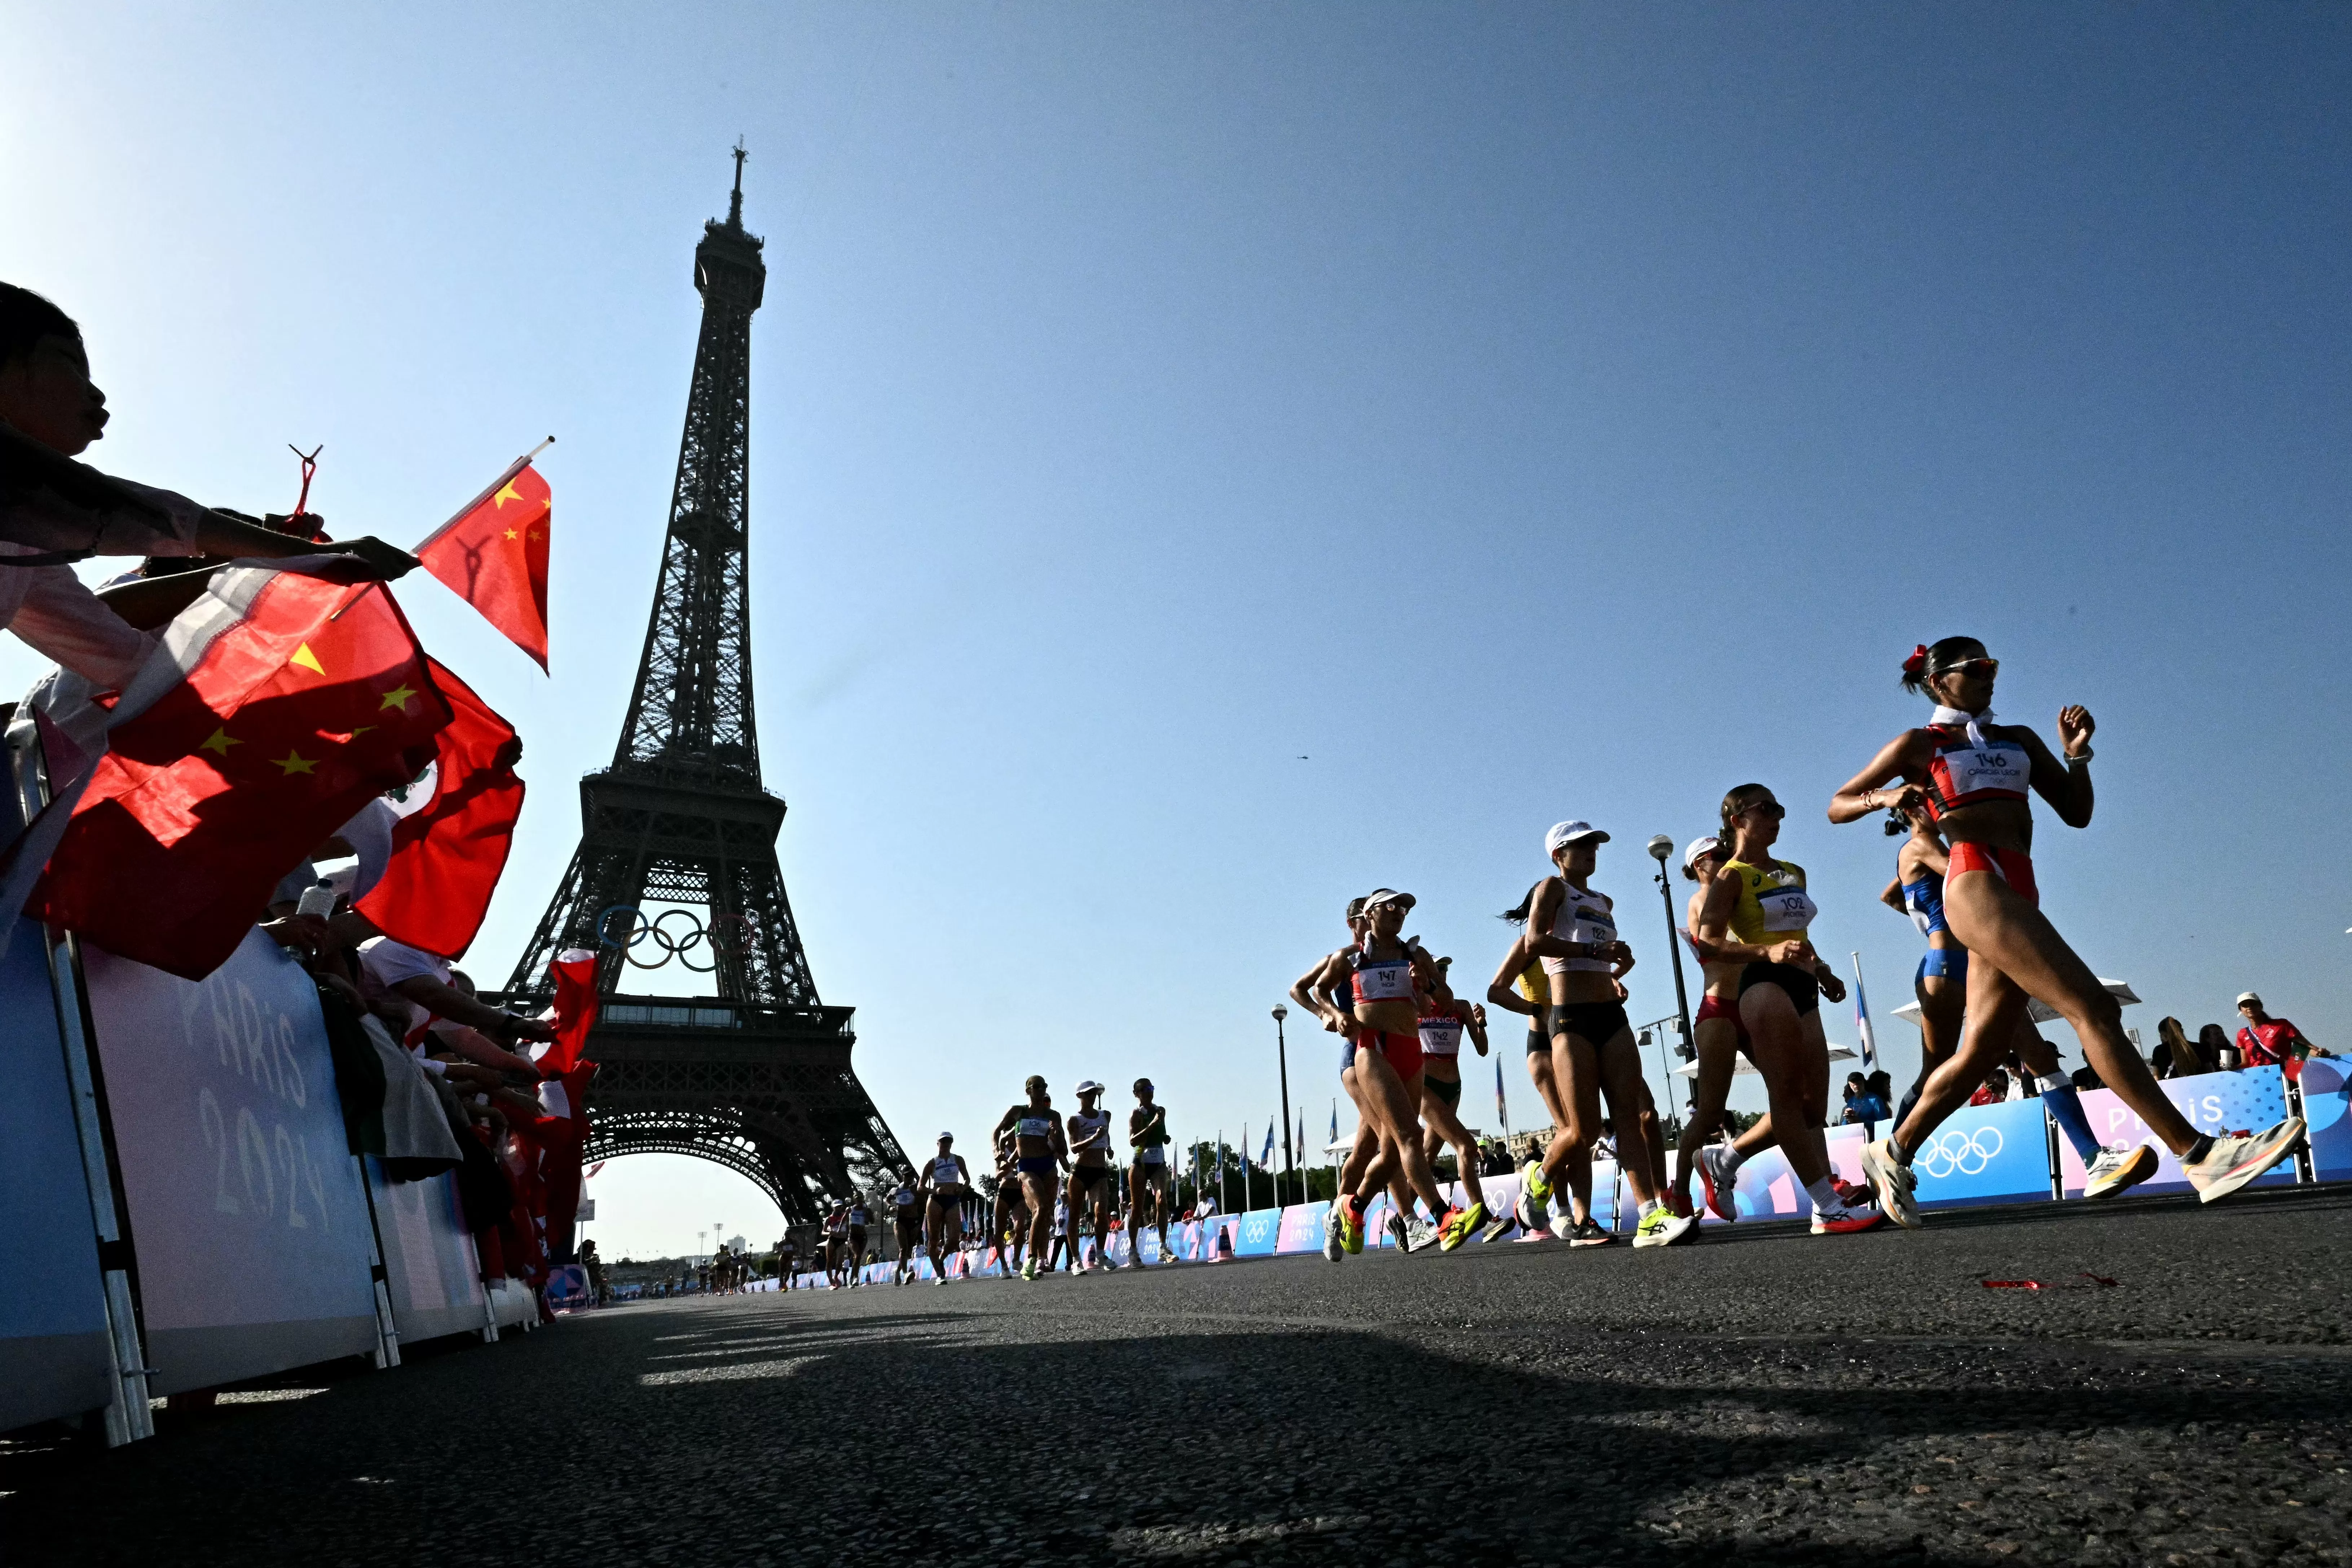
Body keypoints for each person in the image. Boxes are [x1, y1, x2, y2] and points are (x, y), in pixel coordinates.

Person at [1832, 637, 2304, 1223]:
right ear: (1937, 683)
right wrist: (1884, 796)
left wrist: (2077, 755)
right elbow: (1837, 802)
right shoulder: (1920, 743)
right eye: (1975, 668)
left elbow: (2076, 813)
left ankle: (1893, 1147)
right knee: (2093, 1009)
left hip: (2019, 884)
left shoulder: (2021, 739)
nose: (1990, 675)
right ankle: (2199, 1153)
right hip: (1974, 880)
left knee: (1979, 1051)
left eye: (1993, 665)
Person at [0, 284, 419, 688]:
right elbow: (130, 513)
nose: (96, 393)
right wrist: (306, 558)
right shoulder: (32, 500)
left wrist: (277, 569)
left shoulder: (29, 559)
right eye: (69, 362)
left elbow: (128, 663)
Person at [1690, 788, 1882, 1236]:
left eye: (1780, 808)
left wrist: (1824, 971)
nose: (1778, 816)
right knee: (1787, 1096)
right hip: (1763, 985)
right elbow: (1706, 942)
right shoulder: (1731, 877)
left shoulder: (1793, 871)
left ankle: (1727, 1156)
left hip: (1803, 985)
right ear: (1738, 819)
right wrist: (1766, 952)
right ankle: (1826, 1206)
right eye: (1766, 809)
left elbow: (1797, 935)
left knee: (1813, 1107)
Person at [1511, 821, 1687, 1247]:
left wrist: (1619, 961)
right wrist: (1593, 951)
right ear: (1559, 854)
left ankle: (1650, 1217)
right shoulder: (1552, 888)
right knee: (1582, 1131)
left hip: (1611, 1015)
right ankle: (1541, 1176)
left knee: (1631, 1116)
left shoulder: (1603, 900)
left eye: (1594, 845)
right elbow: (1535, 941)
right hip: (1570, 1019)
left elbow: (1604, 955)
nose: (1591, 851)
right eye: (1580, 845)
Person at [1319, 890, 1461, 1253]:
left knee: (1378, 1148)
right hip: (1365, 1051)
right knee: (1405, 1137)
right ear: (1366, 917)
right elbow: (1305, 990)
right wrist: (1333, 1015)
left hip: (1409, 1049)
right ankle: (1430, 1217)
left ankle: (1349, 1208)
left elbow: (1441, 1001)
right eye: (1391, 907)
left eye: (1404, 908)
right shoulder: (1349, 957)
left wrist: (1425, 984)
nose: (1400, 913)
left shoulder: (1414, 954)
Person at [1673, 837, 1785, 1226]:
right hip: (1719, 1008)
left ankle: (1727, 1157)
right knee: (1708, 1113)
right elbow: (1712, 947)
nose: (1724, 861)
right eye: (1715, 858)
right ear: (1695, 869)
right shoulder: (1702, 900)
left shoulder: (1741, 892)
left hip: (1752, 1004)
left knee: (1795, 1099)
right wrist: (1766, 947)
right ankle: (1679, 1194)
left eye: (1727, 855)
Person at [1414, 957, 1496, 1247]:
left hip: (1454, 1087)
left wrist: (1482, 1024)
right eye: (1436, 970)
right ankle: (1483, 1217)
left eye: (1445, 970)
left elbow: (1483, 1050)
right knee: (1466, 1145)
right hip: (1426, 1087)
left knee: (1426, 1157)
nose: (1442, 974)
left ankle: (1402, 1218)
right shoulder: (1418, 1007)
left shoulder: (1460, 1007)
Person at [993, 1076, 1069, 1281]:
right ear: (1028, 1091)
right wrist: (997, 1152)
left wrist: (1056, 1135)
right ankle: (1030, 1260)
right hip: (1026, 1167)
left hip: (1048, 1167)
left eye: (1043, 1086)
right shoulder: (1018, 1112)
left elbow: (1064, 1150)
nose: (1040, 1090)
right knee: (1042, 1207)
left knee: (1042, 1215)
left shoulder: (1053, 1115)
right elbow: (998, 1131)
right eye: (1036, 1087)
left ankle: (1039, 1259)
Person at [1064, 1081, 1119, 1271]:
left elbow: (1107, 1134)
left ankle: (1102, 1255)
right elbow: (1073, 1148)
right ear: (1080, 1096)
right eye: (1088, 1094)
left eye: (1094, 1093)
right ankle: (1076, 1260)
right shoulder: (1074, 1120)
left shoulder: (1106, 1115)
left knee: (1101, 1212)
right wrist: (1094, 1139)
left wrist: (1108, 1147)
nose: (1092, 1097)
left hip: (1100, 1171)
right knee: (1074, 1216)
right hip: (1080, 1171)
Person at [1127, 1080, 1175, 1264]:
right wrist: (1153, 1125)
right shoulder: (1136, 1114)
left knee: (1162, 1201)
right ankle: (1133, 1251)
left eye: (1151, 1089)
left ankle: (1163, 1247)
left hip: (1159, 1161)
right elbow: (1133, 1140)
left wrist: (1164, 1136)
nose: (1149, 1093)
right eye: (1144, 1090)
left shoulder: (1160, 1110)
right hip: (1140, 1161)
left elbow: (1161, 1132)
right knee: (1137, 1208)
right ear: (1136, 1094)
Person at [920, 1134, 971, 1286]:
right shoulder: (932, 1163)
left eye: (948, 1141)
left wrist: (962, 1188)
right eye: (943, 1142)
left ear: (952, 1143)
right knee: (934, 1239)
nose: (945, 1144)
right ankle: (940, 1274)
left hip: (952, 1199)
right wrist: (934, 1192)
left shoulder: (958, 1160)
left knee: (955, 1238)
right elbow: (920, 1187)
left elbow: (968, 1179)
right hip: (936, 1201)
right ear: (938, 1144)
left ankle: (941, 1259)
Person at [2236, 994, 2331, 1073]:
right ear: (2241, 1010)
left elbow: (2305, 1047)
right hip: (2257, 1078)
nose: (2249, 1008)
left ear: (2261, 1006)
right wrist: (2231, 1067)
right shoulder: (2242, 1033)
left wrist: (2319, 1053)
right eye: (2245, 1005)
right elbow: (2245, 1063)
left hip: (2281, 1075)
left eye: (2253, 1004)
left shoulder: (2281, 1025)